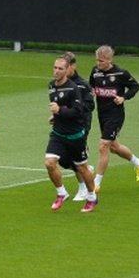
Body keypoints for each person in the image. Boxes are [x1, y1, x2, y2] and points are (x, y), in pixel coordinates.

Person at [89, 45, 139, 192]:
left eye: (101, 61)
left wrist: (124, 98)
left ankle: (96, 183)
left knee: (103, 146)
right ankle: (138, 163)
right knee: (114, 147)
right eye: (97, 60)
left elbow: (135, 87)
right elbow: (91, 86)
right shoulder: (95, 72)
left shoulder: (121, 73)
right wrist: (92, 92)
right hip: (102, 114)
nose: (98, 64)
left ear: (109, 60)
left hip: (115, 115)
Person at [45, 56, 98, 213]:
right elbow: (60, 107)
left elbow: (78, 111)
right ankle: (62, 193)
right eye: (55, 67)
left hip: (75, 135)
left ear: (67, 70)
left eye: (60, 68)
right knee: (49, 163)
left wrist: (59, 111)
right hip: (58, 134)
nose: (56, 71)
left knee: (82, 168)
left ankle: (91, 196)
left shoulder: (73, 88)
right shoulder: (51, 86)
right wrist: (55, 117)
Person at [63, 52, 97, 202]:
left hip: (80, 124)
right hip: (63, 124)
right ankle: (87, 171)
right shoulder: (59, 84)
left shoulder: (83, 84)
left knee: (75, 156)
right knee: (63, 159)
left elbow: (90, 105)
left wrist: (75, 109)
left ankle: (83, 188)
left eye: (66, 67)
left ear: (73, 66)